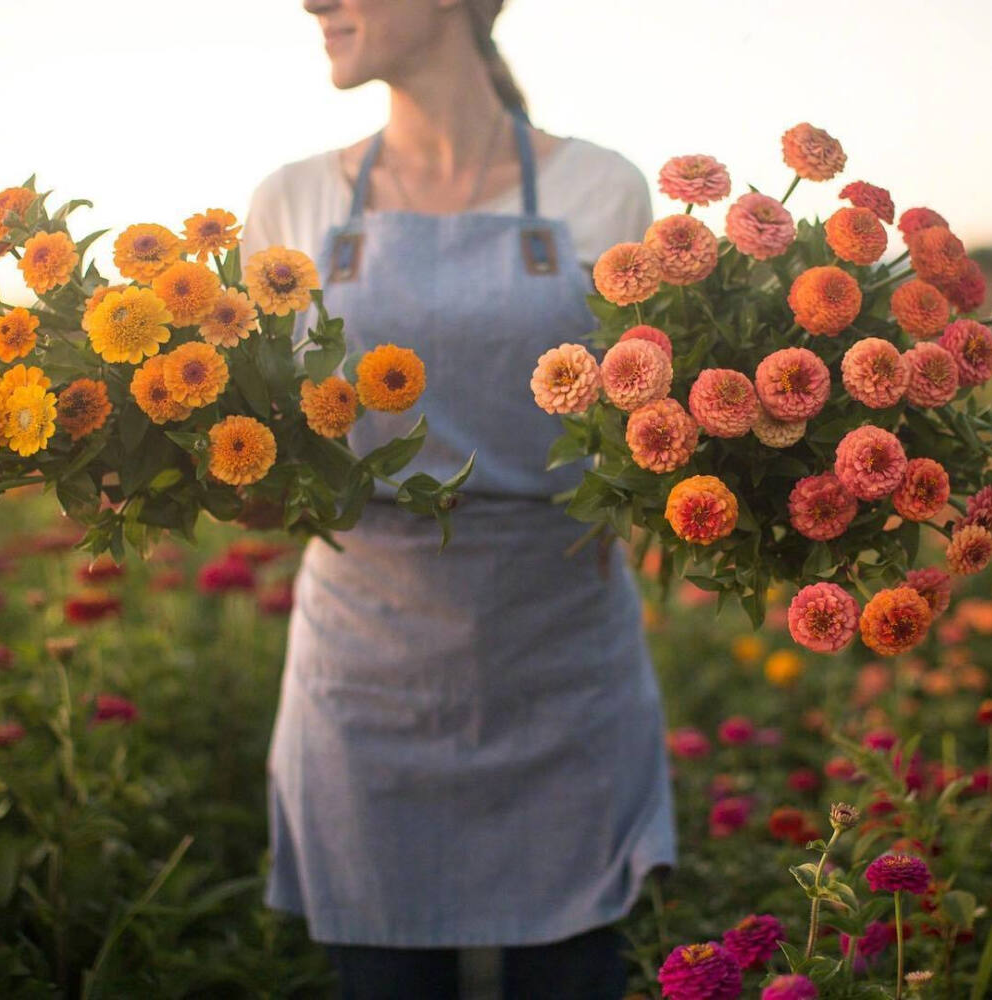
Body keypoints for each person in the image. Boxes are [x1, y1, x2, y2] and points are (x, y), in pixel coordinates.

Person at [239, 2, 677, 997]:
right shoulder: (292, 204)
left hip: (561, 673)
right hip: (367, 681)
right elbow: (275, 473)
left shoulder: (599, 191)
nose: (314, 2)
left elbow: (648, 441)